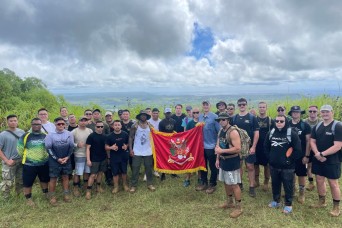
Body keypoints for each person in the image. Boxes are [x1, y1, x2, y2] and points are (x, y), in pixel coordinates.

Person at [264, 114, 301, 214]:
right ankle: (276, 201)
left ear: (286, 122)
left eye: (281, 121)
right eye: (277, 121)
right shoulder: (270, 133)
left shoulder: (292, 134)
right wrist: (270, 158)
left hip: (288, 167)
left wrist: (289, 160)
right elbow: (266, 147)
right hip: (274, 165)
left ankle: (288, 204)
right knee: (275, 184)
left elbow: (298, 150)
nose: (279, 123)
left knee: (288, 185)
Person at [310, 105, 342, 217]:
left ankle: (336, 207)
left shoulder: (338, 126)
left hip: (333, 160)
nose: (325, 114)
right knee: (319, 180)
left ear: (332, 112)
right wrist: (317, 154)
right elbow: (312, 141)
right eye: (323, 112)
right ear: (320, 113)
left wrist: (323, 154)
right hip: (318, 158)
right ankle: (322, 201)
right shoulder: (318, 126)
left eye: (327, 112)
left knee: (333, 183)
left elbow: (338, 146)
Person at [215, 112, 243, 218]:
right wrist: (218, 158)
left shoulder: (233, 132)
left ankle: (239, 207)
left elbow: (238, 148)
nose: (221, 121)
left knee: (234, 184)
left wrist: (222, 150)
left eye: (223, 119)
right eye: (219, 120)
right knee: (226, 183)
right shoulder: (221, 131)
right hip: (223, 161)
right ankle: (230, 202)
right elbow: (218, 146)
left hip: (232, 161)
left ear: (228, 120)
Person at [17, 118, 49, 206]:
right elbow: (20, 149)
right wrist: (28, 157)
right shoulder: (26, 136)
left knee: (44, 180)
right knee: (28, 182)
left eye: (38, 124)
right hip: (29, 164)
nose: (36, 126)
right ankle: (28, 198)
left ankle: (46, 194)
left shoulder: (45, 135)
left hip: (43, 163)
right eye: (34, 124)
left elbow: (49, 147)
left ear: (41, 125)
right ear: (31, 125)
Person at [231, 98, 259, 197]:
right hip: (238, 147)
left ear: (246, 105)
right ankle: (240, 183)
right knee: (238, 166)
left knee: (250, 166)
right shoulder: (234, 118)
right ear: (238, 106)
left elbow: (256, 132)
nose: (242, 106)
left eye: (243, 104)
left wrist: (254, 146)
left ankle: (252, 186)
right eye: (240, 104)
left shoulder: (252, 118)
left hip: (249, 146)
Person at [45, 117, 74, 205]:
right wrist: (57, 159)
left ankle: (66, 194)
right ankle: (52, 196)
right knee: (53, 178)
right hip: (54, 160)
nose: (61, 125)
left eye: (62, 124)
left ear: (65, 124)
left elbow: (71, 147)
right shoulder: (50, 135)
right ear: (55, 125)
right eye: (59, 124)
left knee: (65, 177)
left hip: (66, 159)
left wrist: (67, 157)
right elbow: (48, 149)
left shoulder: (69, 134)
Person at [196, 100, 220, 194]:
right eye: (204, 105)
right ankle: (204, 182)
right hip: (202, 146)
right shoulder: (200, 116)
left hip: (211, 146)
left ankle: (212, 183)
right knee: (203, 165)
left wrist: (217, 145)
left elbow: (219, 132)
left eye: (207, 105)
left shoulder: (215, 117)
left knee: (212, 166)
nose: (205, 106)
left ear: (210, 106)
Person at [288, 106, 311, 204]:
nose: (296, 113)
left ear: (300, 113)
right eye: (294, 112)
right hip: (289, 154)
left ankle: (302, 193)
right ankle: (291, 191)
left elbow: (308, 141)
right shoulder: (287, 124)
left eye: (298, 112)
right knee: (289, 173)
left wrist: (306, 156)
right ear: (291, 113)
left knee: (301, 174)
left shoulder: (305, 125)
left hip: (301, 155)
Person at [129, 110, 156, 193]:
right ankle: (133, 185)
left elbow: (155, 136)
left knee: (148, 167)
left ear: (146, 117)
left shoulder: (150, 126)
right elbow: (130, 137)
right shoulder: (135, 126)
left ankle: (150, 184)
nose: (143, 117)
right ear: (139, 116)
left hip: (148, 150)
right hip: (137, 150)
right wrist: (130, 149)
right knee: (135, 168)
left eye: (145, 115)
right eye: (142, 115)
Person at [0, 115, 25, 199]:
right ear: (7, 122)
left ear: (17, 121)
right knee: (7, 181)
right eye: (11, 121)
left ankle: (19, 196)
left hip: (21, 160)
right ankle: (5, 198)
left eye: (15, 120)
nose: (13, 122)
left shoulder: (22, 132)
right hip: (9, 161)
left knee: (20, 180)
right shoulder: (3, 135)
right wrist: (6, 161)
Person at [85, 121, 108, 200]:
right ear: (95, 127)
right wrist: (88, 159)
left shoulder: (105, 136)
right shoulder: (91, 136)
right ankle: (88, 191)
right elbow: (87, 148)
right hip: (94, 159)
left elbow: (106, 148)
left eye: (101, 126)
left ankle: (98, 187)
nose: (100, 128)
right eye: (98, 126)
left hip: (103, 158)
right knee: (93, 175)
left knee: (100, 173)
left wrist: (108, 158)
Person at [105, 120, 129, 194]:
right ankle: (116, 186)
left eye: (119, 125)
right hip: (114, 157)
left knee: (124, 171)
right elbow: (106, 147)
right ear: (113, 126)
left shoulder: (125, 134)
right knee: (115, 172)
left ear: (121, 126)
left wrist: (126, 146)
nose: (117, 126)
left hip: (123, 156)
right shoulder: (109, 136)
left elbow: (128, 143)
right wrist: (111, 148)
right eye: (115, 125)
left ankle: (125, 184)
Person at [71, 116, 93, 197]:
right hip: (78, 155)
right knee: (78, 172)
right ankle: (75, 188)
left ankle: (85, 185)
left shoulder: (90, 131)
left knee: (87, 171)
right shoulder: (74, 131)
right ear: (78, 121)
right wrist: (76, 145)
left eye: (85, 120)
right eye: (82, 120)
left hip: (88, 155)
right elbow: (69, 143)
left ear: (87, 122)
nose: (83, 122)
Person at [255, 101, 274, 191]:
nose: (262, 109)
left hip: (267, 146)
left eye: (263, 107)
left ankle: (266, 182)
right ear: (258, 108)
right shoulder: (254, 119)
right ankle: (256, 180)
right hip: (256, 145)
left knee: (267, 165)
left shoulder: (271, 120)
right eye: (260, 107)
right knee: (256, 164)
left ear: (266, 108)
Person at [304, 105, 322, 191]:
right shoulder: (304, 122)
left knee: (318, 166)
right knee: (309, 166)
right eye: (310, 111)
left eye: (314, 111)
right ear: (308, 112)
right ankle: (311, 183)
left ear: (317, 112)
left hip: (319, 148)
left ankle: (320, 183)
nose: (312, 113)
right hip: (307, 147)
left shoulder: (321, 122)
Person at [183, 107, 200, 187]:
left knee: (200, 162)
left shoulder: (202, 122)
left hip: (200, 145)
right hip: (192, 145)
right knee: (189, 161)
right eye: (194, 113)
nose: (196, 114)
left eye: (197, 112)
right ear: (192, 114)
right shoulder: (190, 123)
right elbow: (186, 135)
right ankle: (187, 179)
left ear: (200, 113)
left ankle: (200, 178)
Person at [159, 108, 177, 181]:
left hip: (172, 142)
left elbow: (175, 131)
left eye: (169, 113)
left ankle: (173, 172)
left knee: (172, 156)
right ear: (164, 114)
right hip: (164, 142)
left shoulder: (174, 121)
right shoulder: (161, 122)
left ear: (171, 113)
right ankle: (163, 173)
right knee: (164, 157)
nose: (168, 114)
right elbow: (160, 134)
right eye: (167, 113)